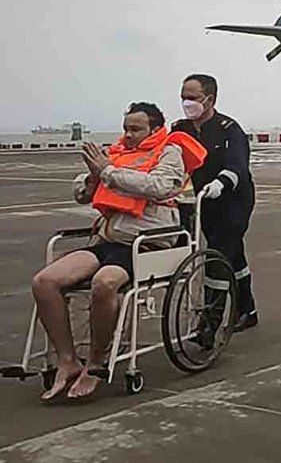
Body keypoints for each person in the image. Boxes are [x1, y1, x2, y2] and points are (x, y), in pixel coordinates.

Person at [31, 103, 204, 400]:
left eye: (136, 129)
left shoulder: (169, 151)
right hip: (107, 241)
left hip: (147, 243)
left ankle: (96, 363)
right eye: (125, 128)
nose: (129, 135)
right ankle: (67, 360)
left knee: (105, 283)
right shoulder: (116, 152)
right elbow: (82, 195)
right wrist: (93, 178)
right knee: (44, 282)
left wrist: (108, 172)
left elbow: (161, 187)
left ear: (154, 128)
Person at [172, 74, 259, 331]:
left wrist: (221, 182)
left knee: (217, 256)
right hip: (203, 200)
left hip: (234, 201)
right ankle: (248, 309)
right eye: (184, 97)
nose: (187, 103)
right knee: (234, 255)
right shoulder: (180, 129)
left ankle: (209, 324)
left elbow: (238, 167)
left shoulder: (229, 129)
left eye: (193, 98)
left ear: (210, 99)